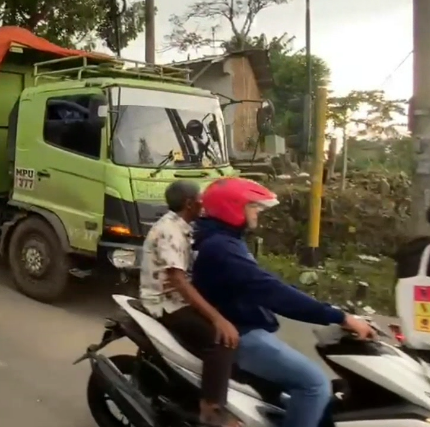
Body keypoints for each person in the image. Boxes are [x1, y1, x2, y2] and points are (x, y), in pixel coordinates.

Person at [192, 177, 375, 427]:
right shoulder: (221, 248)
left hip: (248, 328)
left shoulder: (226, 242)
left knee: (292, 398)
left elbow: (269, 284)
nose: (257, 213)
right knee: (314, 385)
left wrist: (330, 309)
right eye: (253, 206)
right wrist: (339, 316)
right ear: (232, 207)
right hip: (242, 335)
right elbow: (273, 293)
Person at [139, 180, 240, 427]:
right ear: (188, 203)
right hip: (166, 303)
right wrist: (217, 319)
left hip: (176, 298)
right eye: (200, 199)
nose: (203, 203)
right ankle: (210, 409)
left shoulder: (183, 226)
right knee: (221, 338)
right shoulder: (170, 232)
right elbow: (180, 283)